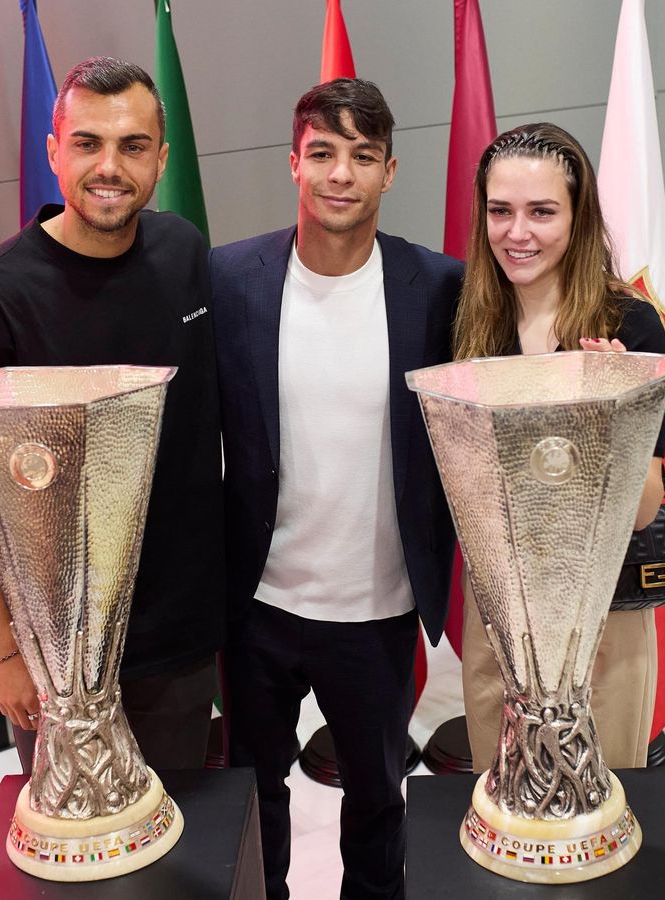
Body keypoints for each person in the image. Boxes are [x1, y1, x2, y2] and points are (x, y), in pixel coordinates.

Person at [0, 57, 224, 773]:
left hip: (180, 635)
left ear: (161, 159)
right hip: (56, 654)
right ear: (54, 151)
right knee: (78, 860)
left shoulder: (183, 249)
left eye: (131, 146)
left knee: (179, 834)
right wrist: (4, 650)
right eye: (88, 142)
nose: (109, 167)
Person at [211, 78, 461, 900]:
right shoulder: (230, 279)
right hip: (260, 604)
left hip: (377, 608)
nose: (341, 174)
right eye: (323, 153)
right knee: (254, 795)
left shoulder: (440, 289)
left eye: (362, 157)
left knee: (378, 802)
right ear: (294, 164)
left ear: (391, 172)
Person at [454, 122, 665, 773]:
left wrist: (612, 413)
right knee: (503, 799)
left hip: (601, 606)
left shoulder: (628, 322)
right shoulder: (470, 321)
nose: (517, 233)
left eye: (542, 212)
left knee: (603, 806)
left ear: (579, 219)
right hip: (498, 608)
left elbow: (643, 512)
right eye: (501, 211)